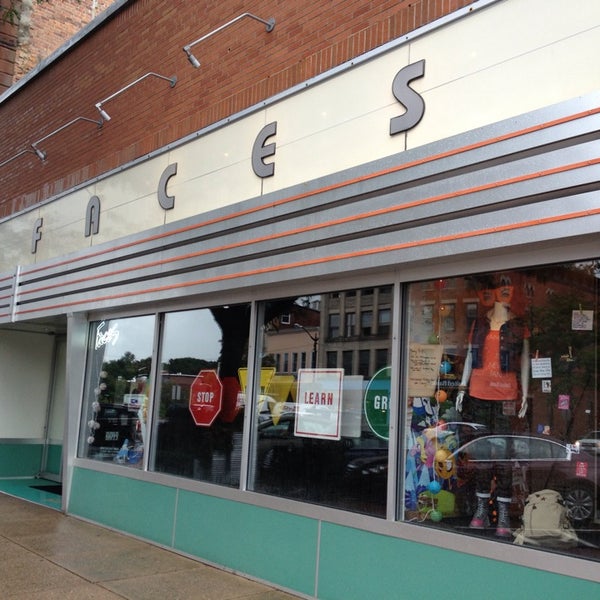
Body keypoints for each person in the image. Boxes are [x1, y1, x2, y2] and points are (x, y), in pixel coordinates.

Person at [456, 284, 529, 537]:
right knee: (482, 454)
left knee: (504, 455)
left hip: (506, 395)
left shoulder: (518, 325)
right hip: (478, 394)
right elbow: (470, 355)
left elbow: (525, 360)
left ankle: (503, 513)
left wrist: (525, 394)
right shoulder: (479, 324)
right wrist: (462, 387)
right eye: (502, 291)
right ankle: (481, 510)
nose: (506, 296)